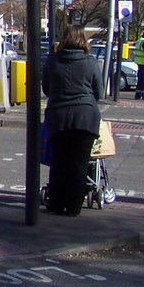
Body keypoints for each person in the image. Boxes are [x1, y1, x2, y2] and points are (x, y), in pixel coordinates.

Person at [41, 25, 102, 216]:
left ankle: (56, 204)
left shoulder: (53, 61)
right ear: (83, 40)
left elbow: (46, 88)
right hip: (85, 117)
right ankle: (74, 207)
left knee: (59, 162)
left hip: (58, 116)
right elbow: (99, 92)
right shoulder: (90, 62)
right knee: (79, 164)